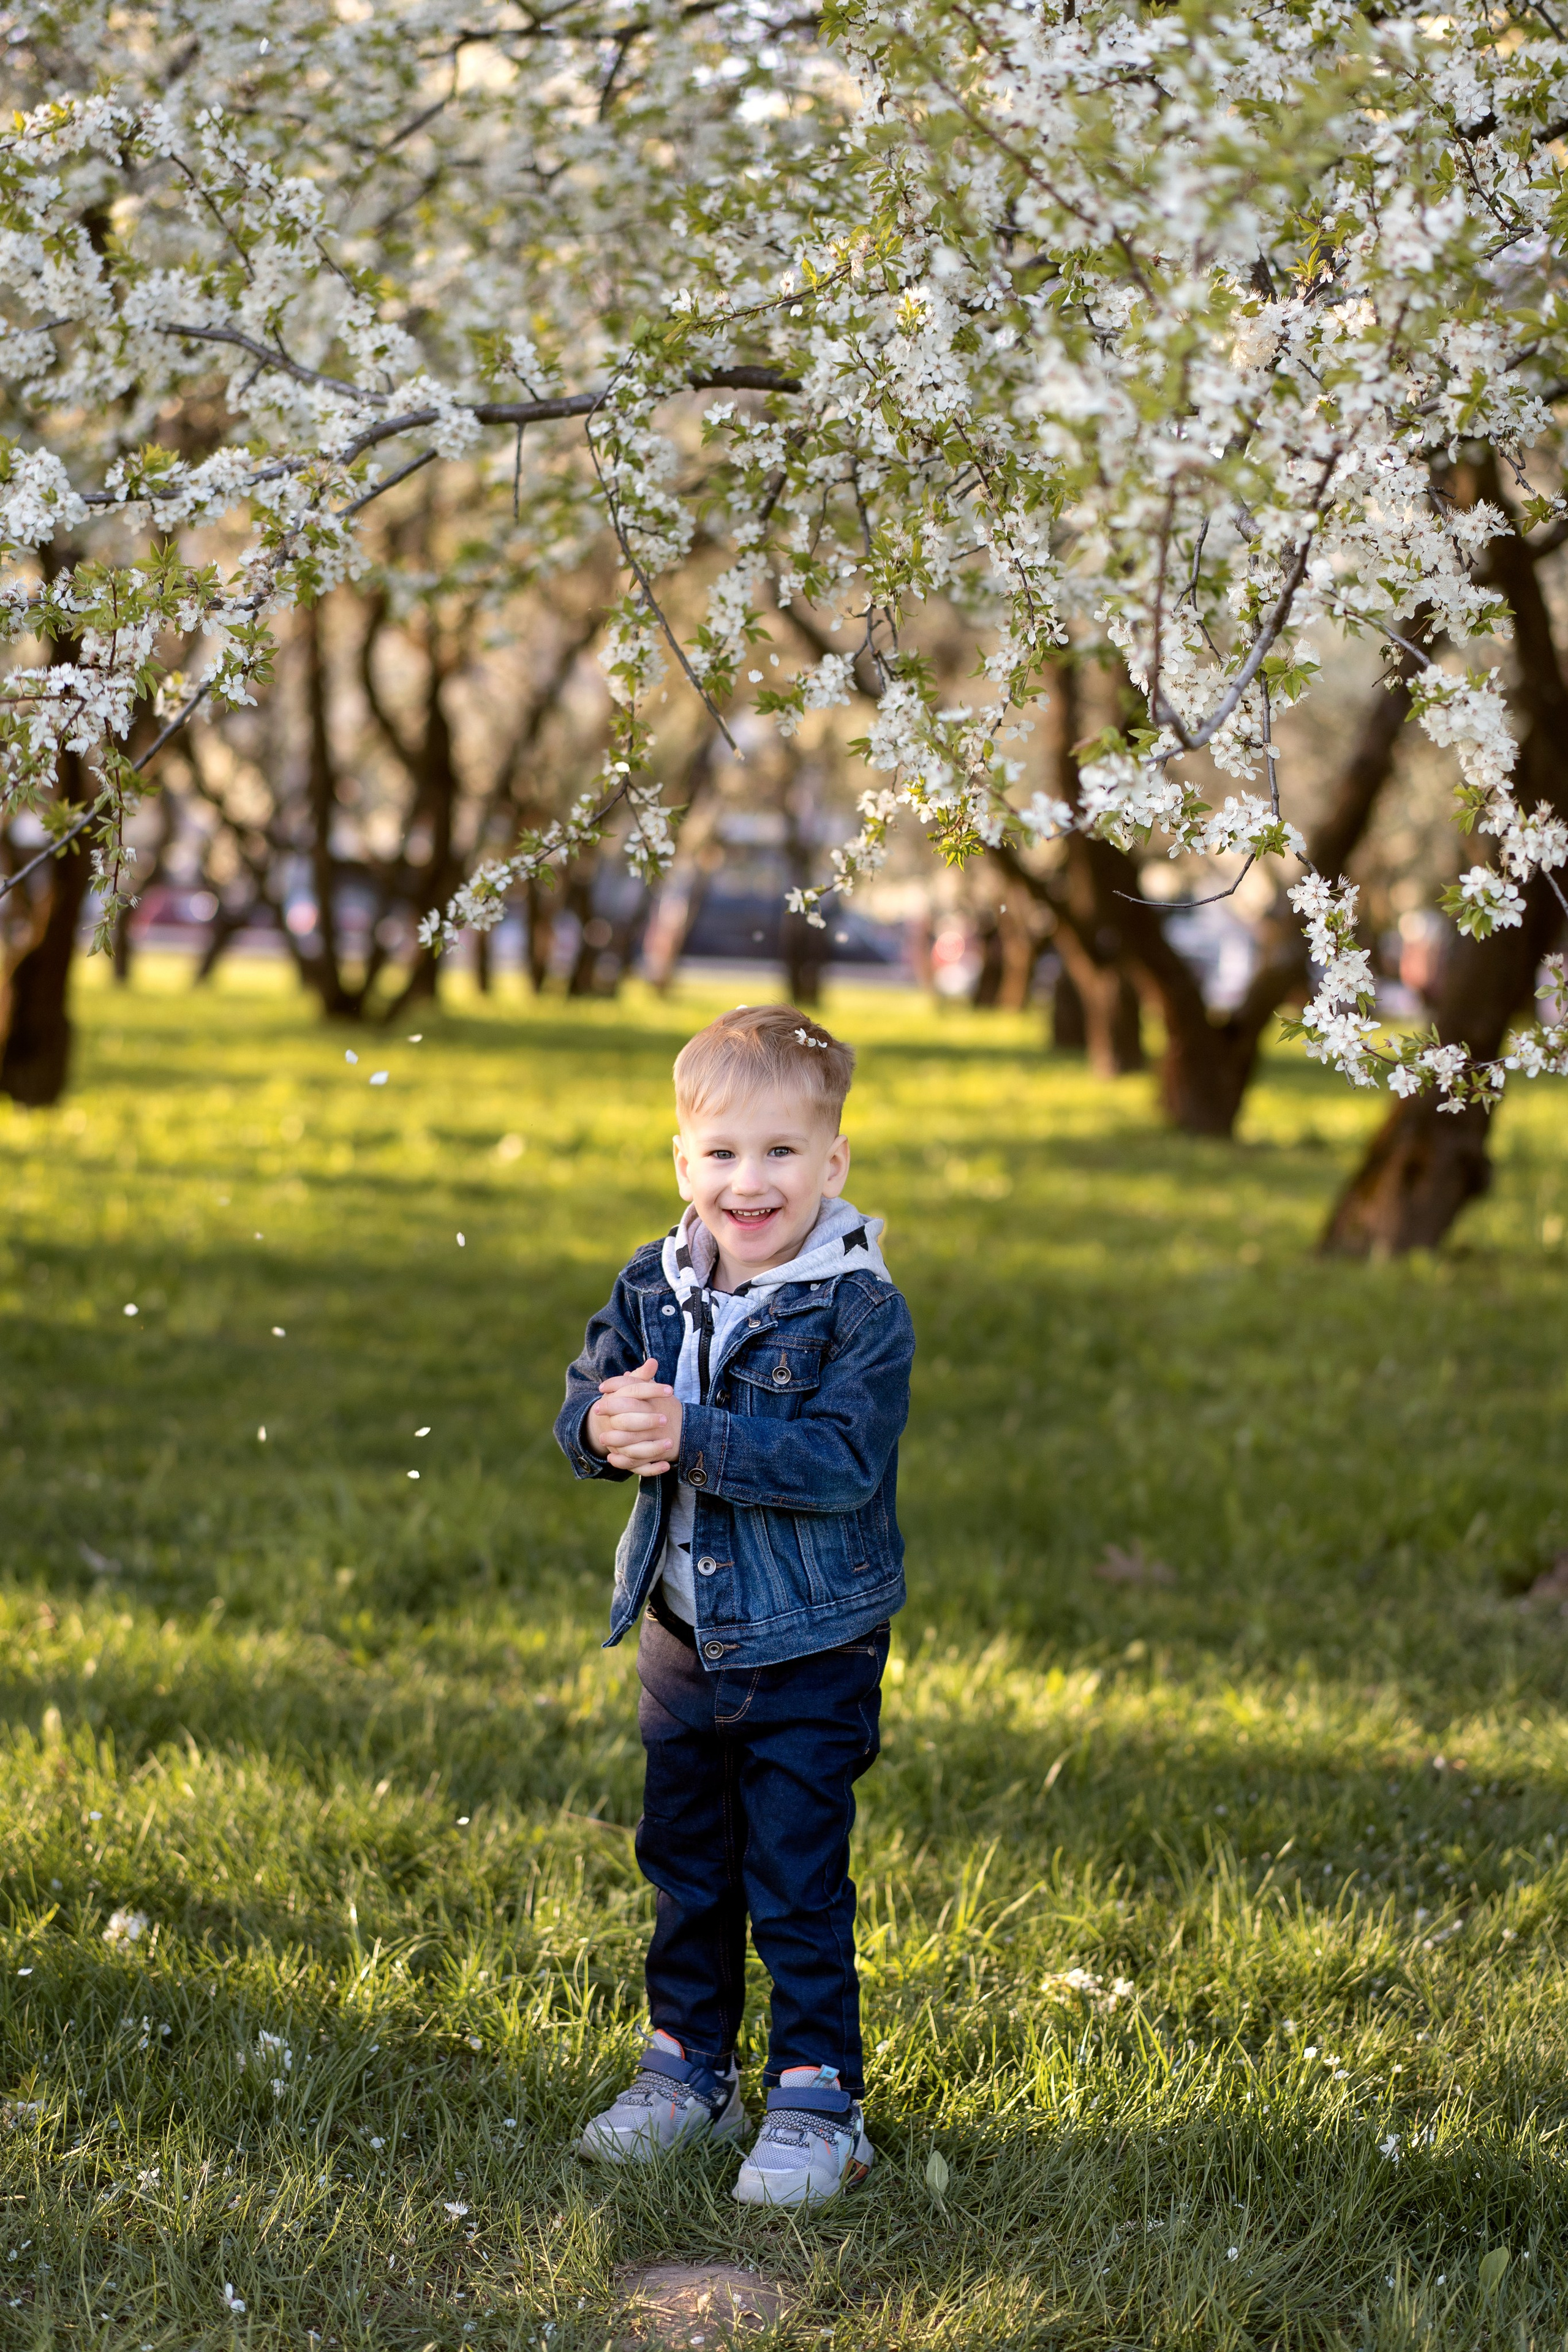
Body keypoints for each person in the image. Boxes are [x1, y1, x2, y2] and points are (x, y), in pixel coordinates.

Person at [554, 1003, 914, 2207]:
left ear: (831, 1163)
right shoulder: (649, 1287)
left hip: (811, 1644)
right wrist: (599, 1428)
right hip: (678, 1637)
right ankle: (685, 2069)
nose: (746, 1181)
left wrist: (697, 1434)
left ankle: (817, 2097)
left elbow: (839, 1463)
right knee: (687, 1862)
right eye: (719, 1154)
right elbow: (588, 1397)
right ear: (680, 1163)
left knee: (793, 1870)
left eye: (778, 1154)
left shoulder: (856, 1309)